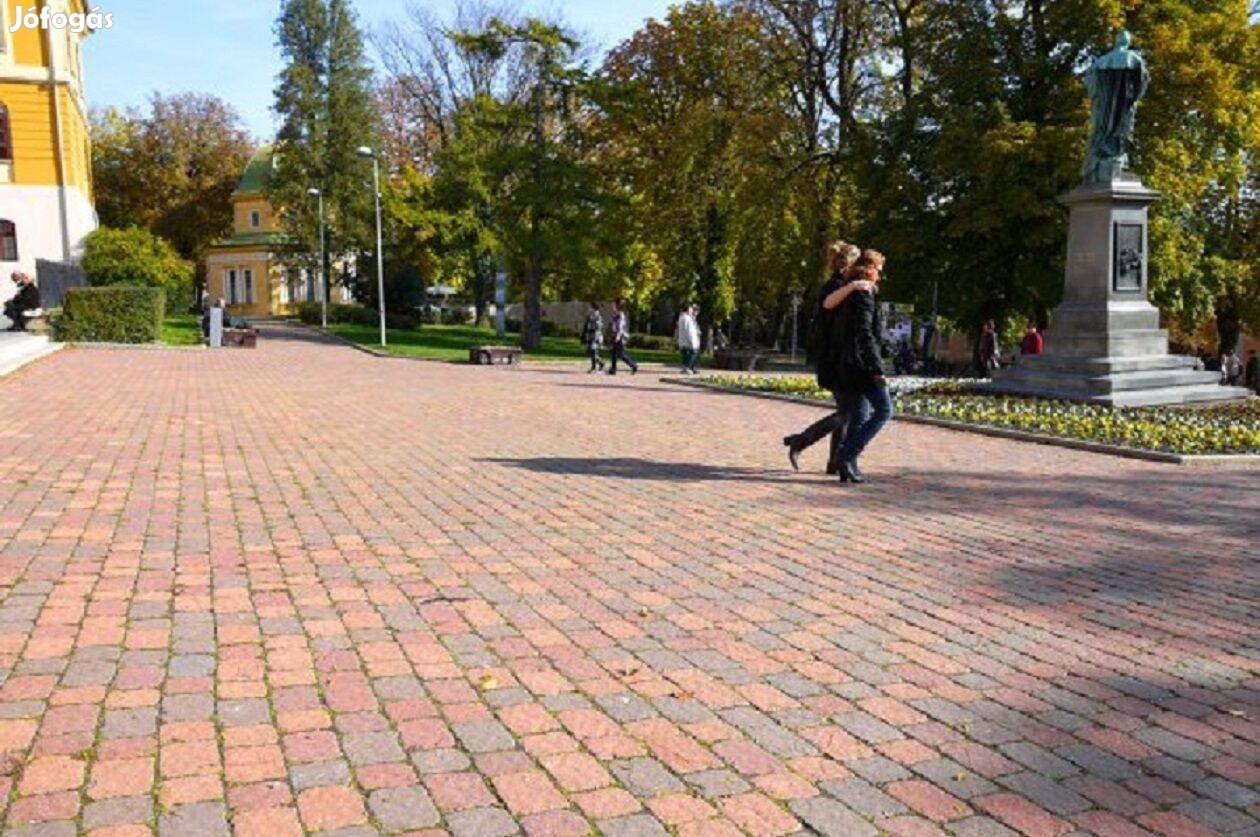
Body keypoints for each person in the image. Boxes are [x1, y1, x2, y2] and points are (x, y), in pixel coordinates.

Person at [782, 242, 874, 474]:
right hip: (834, 359)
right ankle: (801, 441)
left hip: (835, 357)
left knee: (846, 410)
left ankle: (834, 462)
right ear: (848, 264)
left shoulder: (841, 285)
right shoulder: (836, 286)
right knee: (848, 412)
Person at [832, 250, 892, 484]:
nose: (880, 276)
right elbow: (865, 334)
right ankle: (845, 456)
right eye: (879, 271)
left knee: (859, 415)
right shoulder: (864, 295)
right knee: (884, 410)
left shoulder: (849, 291)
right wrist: (877, 368)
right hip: (861, 365)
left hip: (847, 362)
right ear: (871, 269)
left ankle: (848, 465)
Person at [607, 298, 638, 375]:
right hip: (615, 335)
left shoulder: (620, 315)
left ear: (618, 306)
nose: (612, 306)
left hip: (619, 336)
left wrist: (617, 336)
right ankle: (613, 369)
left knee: (620, 354)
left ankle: (633, 365)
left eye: (614, 304)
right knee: (614, 353)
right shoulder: (616, 315)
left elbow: (620, 327)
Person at [676, 303, 701, 374]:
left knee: (685, 355)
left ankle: (687, 368)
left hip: (683, 340)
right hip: (689, 340)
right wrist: (692, 341)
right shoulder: (687, 318)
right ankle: (688, 368)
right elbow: (690, 331)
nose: (692, 311)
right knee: (692, 353)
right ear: (688, 310)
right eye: (691, 309)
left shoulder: (681, 317)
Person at [581, 301, 605, 373]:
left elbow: (598, 326)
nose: (589, 308)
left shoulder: (597, 316)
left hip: (595, 335)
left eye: (590, 306)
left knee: (593, 350)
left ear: (593, 307)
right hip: (590, 335)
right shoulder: (590, 315)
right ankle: (601, 363)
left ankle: (594, 367)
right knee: (590, 351)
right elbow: (586, 325)